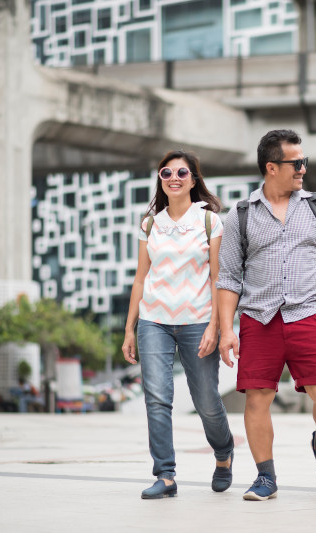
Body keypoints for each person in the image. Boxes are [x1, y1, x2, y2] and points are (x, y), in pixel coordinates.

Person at [217, 129, 316, 501]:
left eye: (304, 161)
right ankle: (265, 477)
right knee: (257, 398)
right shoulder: (241, 215)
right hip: (258, 318)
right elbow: (228, 277)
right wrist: (227, 329)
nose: (303, 169)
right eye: (296, 163)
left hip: (307, 314)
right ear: (271, 167)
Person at [122, 150, 234, 500]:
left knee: (205, 399)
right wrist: (130, 328)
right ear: (160, 179)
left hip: (198, 320)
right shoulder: (150, 224)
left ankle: (223, 452)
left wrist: (216, 326)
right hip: (153, 319)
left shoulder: (210, 222)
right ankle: (166, 475)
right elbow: (141, 278)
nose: (173, 177)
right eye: (166, 172)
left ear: (193, 179)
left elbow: (219, 278)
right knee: (157, 398)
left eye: (182, 172)